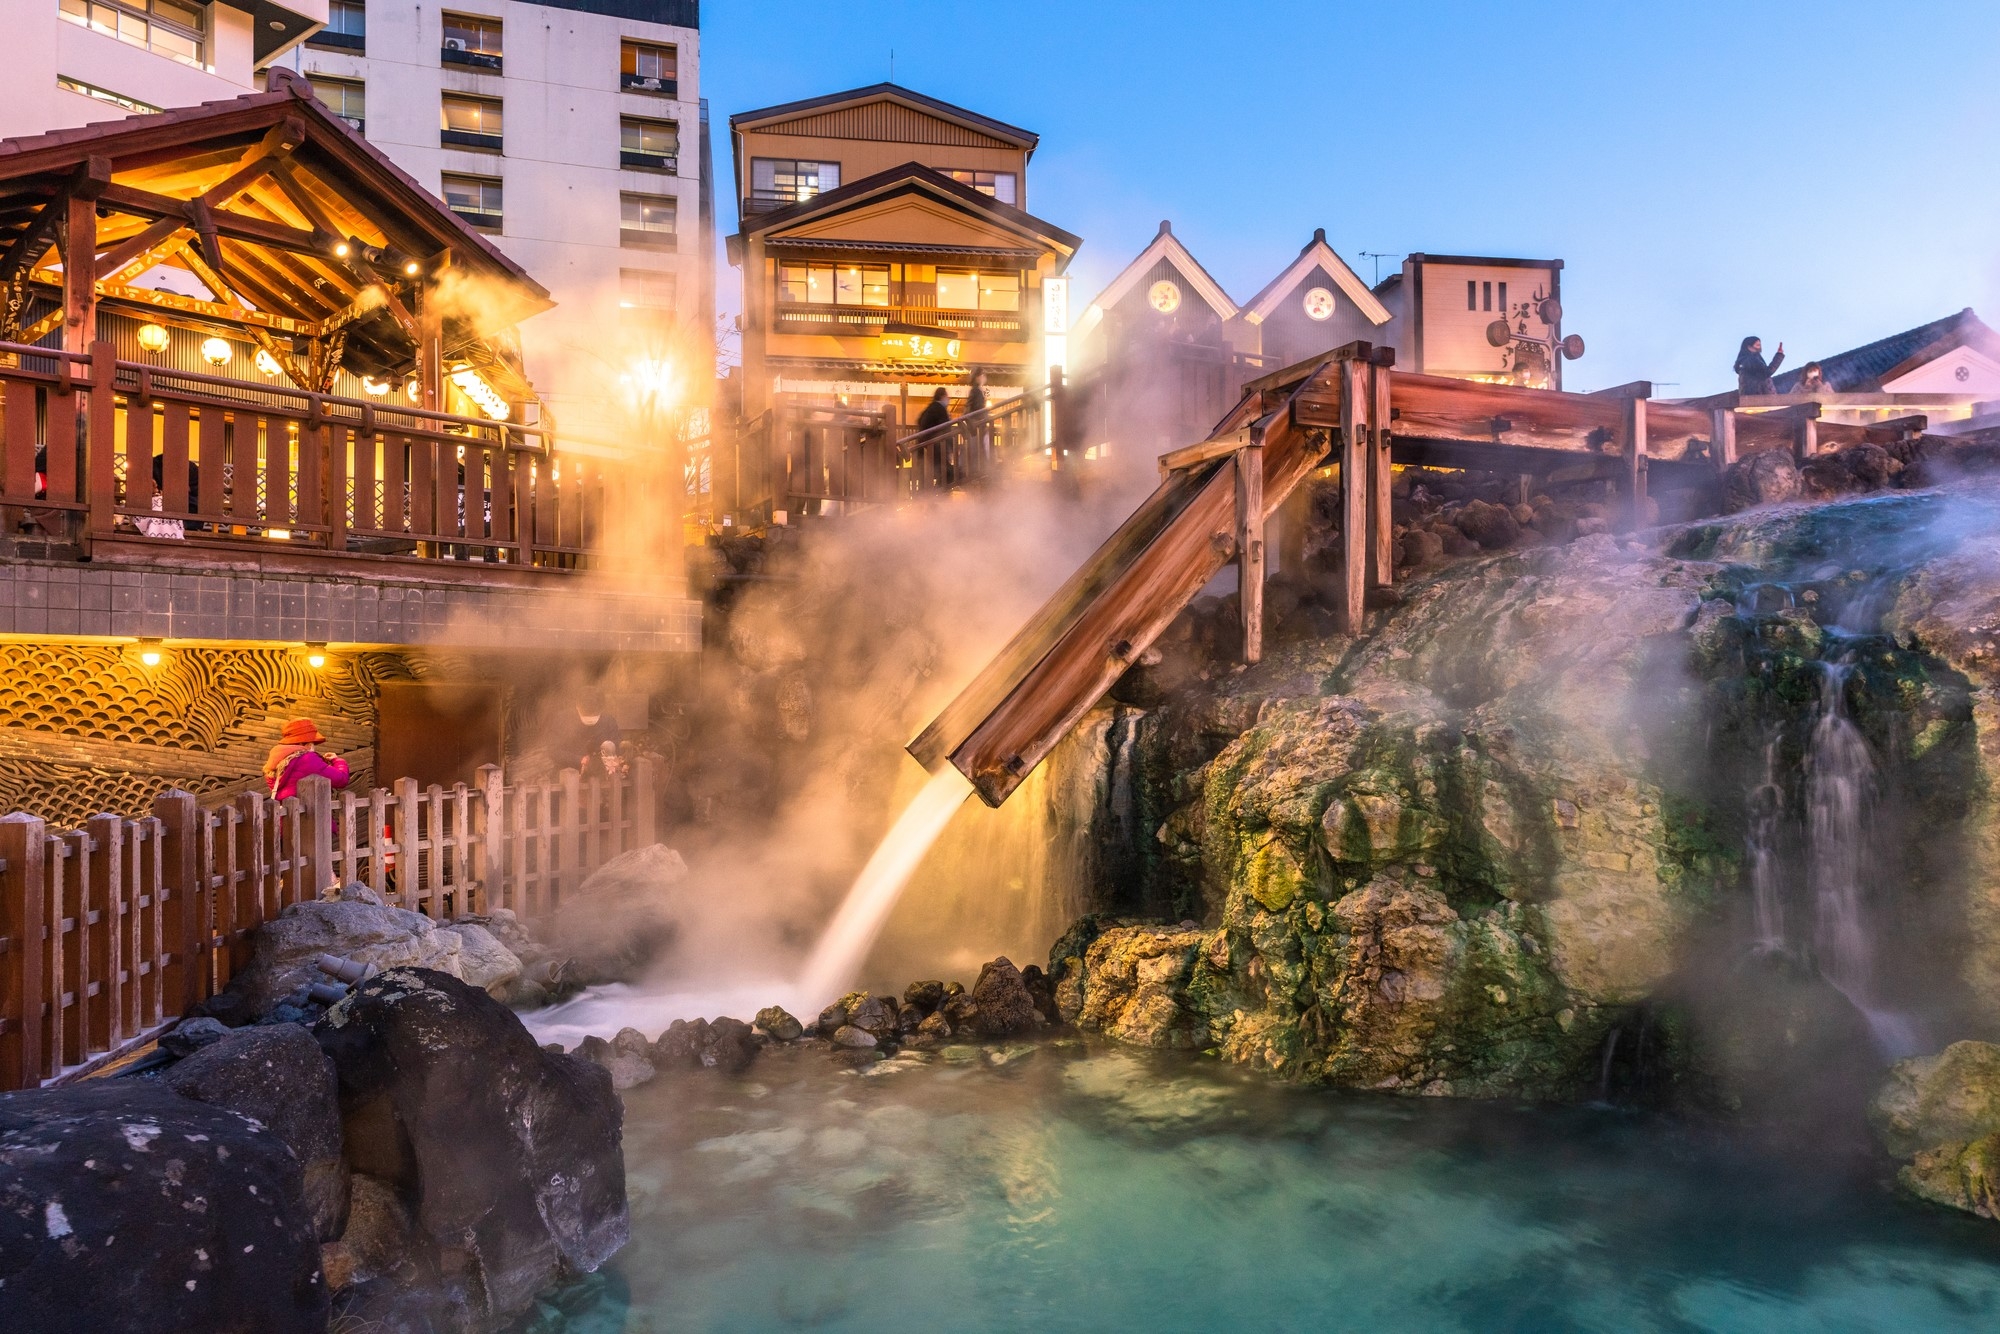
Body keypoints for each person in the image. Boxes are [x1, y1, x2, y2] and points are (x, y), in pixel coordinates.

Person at [262, 718, 352, 800]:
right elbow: (341, 779)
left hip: (286, 815)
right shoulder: (308, 759)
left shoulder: (276, 760)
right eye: (313, 742)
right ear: (307, 743)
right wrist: (337, 761)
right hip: (309, 815)